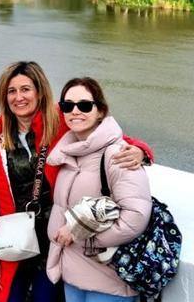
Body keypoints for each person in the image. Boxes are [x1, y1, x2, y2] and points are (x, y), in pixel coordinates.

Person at [0, 62, 153, 302]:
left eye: (26, 89)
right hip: (13, 238)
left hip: (57, 239)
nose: (19, 97)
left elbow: (105, 137)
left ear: (39, 91)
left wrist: (141, 151)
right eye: (11, 91)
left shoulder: (60, 119)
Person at [46, 77, 151, 301]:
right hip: (72, 273)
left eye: (84, 105)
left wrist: (79, 236)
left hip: (108, 279)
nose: (75, 111)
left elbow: (136, 216)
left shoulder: (118, 155)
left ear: (100, 111)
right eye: (67, 106)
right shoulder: (67, 153)